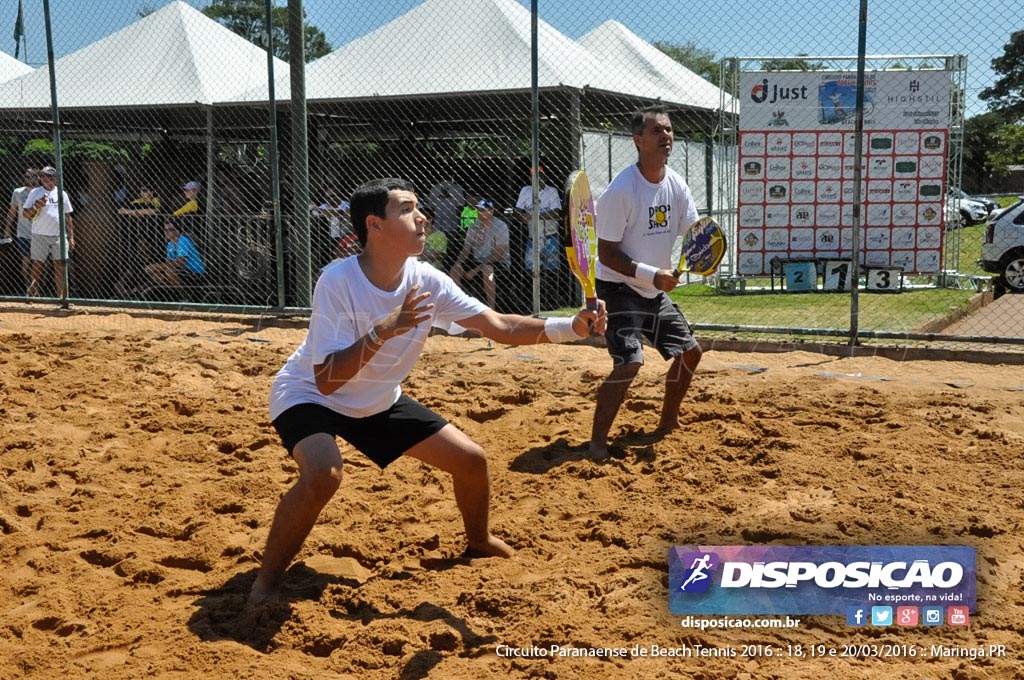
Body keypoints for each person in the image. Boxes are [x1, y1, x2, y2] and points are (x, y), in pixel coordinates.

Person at [248, 177, 606, 606]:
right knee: (324, 473)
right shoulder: (337, 280)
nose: (423, 217)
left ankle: (479, 541)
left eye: (418, 207)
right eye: (406, 209)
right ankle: (265, 585)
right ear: (374, 225)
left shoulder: (427, 281)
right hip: (310, 394)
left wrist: (571, 327)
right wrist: (383, 331)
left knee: (472, 462)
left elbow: (497, 325)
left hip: (377, 400)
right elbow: (326, 378)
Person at [589, 105, 703, 459]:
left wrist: (703, 253)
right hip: (618, 287)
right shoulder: (622, 190)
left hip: (653, 288)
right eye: (657, 131)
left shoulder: (676, 183)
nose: (666, 136)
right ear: (638, 141)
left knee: (690, 353)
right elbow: (606, 255)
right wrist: (653, 275)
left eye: (668, 130)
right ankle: (596, 444)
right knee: (629, 363)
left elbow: (695, 232)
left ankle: (668, 420)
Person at [23, 166, 74, 298]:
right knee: (38, 265)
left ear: (54, 179)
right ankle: (33, 293)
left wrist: (71, 237)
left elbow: (68, 216)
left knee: (59, 265)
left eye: (47, 176)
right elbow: (25, 214)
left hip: (58, 235)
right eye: (42, 176)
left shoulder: (62, 194)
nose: (44, 179)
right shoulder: (35, 192)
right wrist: (37, 206)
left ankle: (62, 297)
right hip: (39, 234)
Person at [449, 199, 509, 309]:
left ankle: (492, 307)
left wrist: (476, 270)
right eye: (479, 210)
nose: (480, 213)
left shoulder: (501, 226)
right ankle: (457, 306)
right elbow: (466, 249)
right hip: (476, 260)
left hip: (498, 263)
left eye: (483, 210)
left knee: (487, 270)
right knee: (455, 269)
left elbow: (498, 255)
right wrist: (459, 262)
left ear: (491, 211)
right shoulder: (473, 226)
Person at [515, 165, 561, 273]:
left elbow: (556, 212)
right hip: (533, 236)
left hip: (550, 235)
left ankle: (549, 289)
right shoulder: (525, 190)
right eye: (533, 177)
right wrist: (522, 217)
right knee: (531, 269)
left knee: (551, 270)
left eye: (539, 176)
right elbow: (517, 210)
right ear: (530, 178)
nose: (536, 179)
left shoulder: (552, 191)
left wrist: (534, 216)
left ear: (545, 178)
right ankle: (533, 289)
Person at [143, 218, 205, 289]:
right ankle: (171, 291)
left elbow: (180, 263)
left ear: (178, 231)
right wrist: (158, 268)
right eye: (165, 230)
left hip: (194, 272)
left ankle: (184, 296)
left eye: (171, 230)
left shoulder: (183, 241)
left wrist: (158, 266)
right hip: (181, 271)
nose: (167, 232)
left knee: (169, 271)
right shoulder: (170, 244)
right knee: (156, 273)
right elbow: (169, 262)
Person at [4, 167, 38, 291]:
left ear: (37, 178)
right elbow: (12, 212)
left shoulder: (41, 192)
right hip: (23, 232)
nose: (29, 179)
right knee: (26, 260)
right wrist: (7, 228)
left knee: (39, 262)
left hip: (40, 232)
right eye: (26, 176)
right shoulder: (18, 192)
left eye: (32, 176)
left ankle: (37, 288)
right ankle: (28, 287)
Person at [311, 185, 355, 260]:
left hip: (343, 234)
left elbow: (343, 213)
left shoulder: (346, 205)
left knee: (335, 219)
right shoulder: (324, 206)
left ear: (339, 195)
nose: (331, 199)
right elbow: (314, 214)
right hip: (326, 235)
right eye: (328, 198)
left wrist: (321, 211)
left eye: (333, 196)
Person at [418, 205, 447, 269]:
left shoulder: (439, 235)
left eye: (421, 219)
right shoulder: (415, 234)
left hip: (433, 269)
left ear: (430, 220)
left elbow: (438, 255)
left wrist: (419, 253)